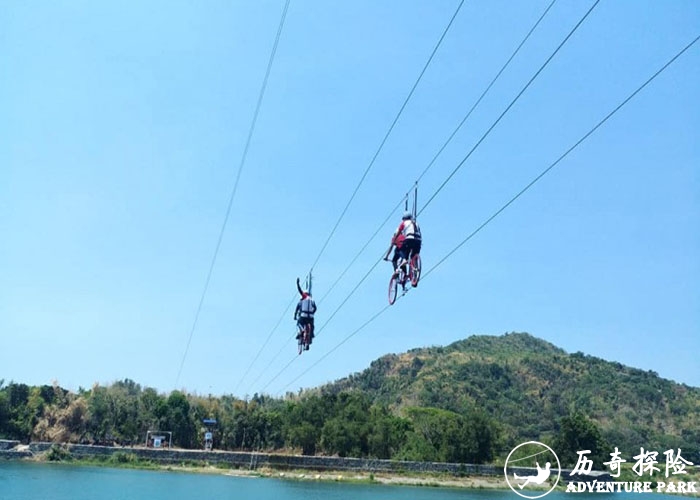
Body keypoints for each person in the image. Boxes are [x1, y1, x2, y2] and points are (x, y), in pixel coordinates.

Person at [384, 211, 422, 279]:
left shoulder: (403, 223)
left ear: (404, 218)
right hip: (418, 240)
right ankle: (415, 270)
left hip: (409, 239)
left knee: (403, 250)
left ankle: (403, 262)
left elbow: (398, 232)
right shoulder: (416, 223)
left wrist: (395, 239)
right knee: (414, 255)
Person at [294, 278, 317, 344]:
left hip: (304, 316)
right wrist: (312, 313)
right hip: (310, 317)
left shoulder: (304, 297)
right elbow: (315, 308)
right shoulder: (312, 300)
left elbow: (300, 291)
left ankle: (302, 331)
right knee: (312, 325)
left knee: (299, 323)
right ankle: (312, 334)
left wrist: (297, 284)